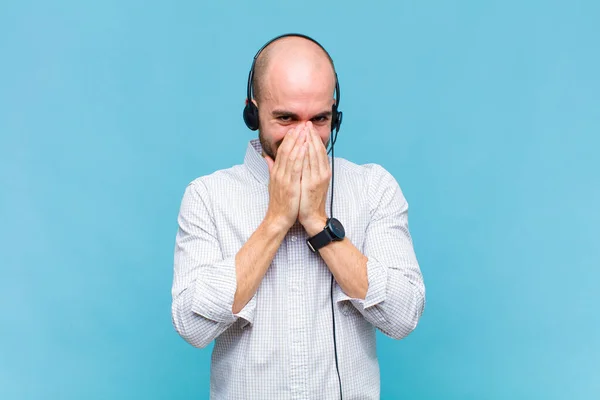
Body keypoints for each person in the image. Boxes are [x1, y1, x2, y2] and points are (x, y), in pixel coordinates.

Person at [171, 33, 426, 400]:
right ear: (252, 112)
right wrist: (276, 219)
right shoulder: (208, 197)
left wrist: (319, 223)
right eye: (286, 118)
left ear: (335, 116)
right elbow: (192, 325)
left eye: (319, 119)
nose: (304, 137)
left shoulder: (374, 189)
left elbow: (404, 316)